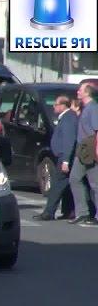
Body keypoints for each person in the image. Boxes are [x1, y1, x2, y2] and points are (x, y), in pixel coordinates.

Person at [33, 96, 78, 220]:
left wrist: (65, 161)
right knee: (66, 185)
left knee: (57, 185)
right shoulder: (66, 117)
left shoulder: (68, 118)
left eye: (56, 104)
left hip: (65, 157)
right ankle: (69, 211)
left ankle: (49, 212)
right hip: (64, 157)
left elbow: (69, 141)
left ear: (64, 105)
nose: (54, 106)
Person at [68, 83, 98, 225]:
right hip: (82, 150)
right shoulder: (86, 108)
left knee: (95, 184)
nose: (77, 92)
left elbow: (97, 130)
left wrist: (97, 150)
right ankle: (82, 213)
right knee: (74, 178)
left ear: (87, 93)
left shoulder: (94, 108)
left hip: (91, 148)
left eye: (80, 90)